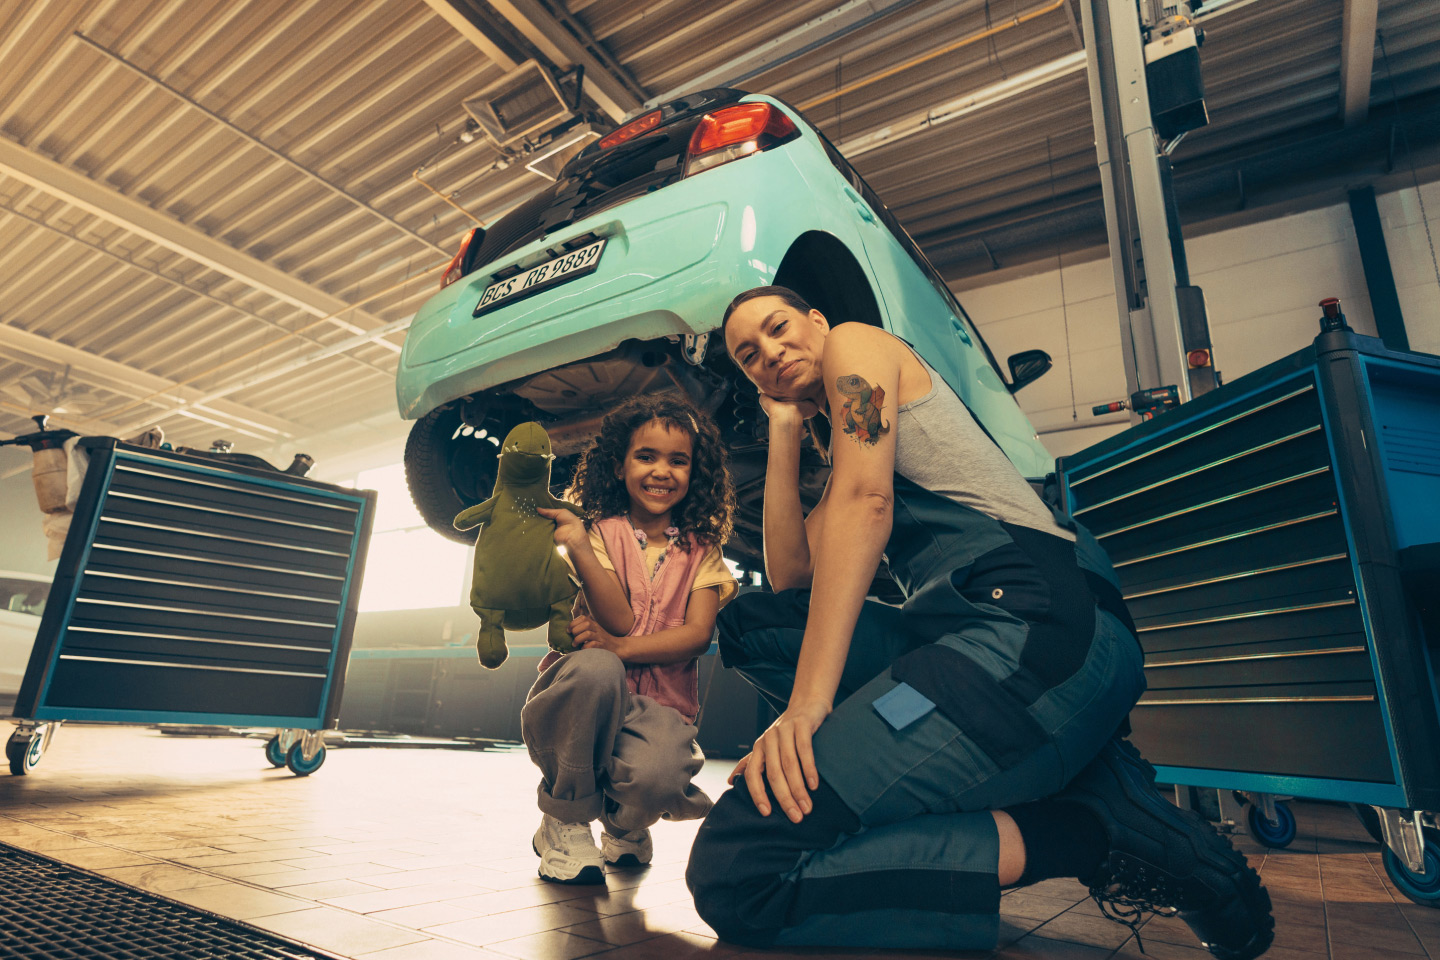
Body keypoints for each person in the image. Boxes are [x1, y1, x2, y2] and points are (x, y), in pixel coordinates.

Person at [685, 286, 1274, 959]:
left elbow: (866, 502)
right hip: (967, 640)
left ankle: (1087, 830)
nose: (771, 353)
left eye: (779, 328)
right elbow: (790, 576)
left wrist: (808, 705)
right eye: (749, 355)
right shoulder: (842, 443)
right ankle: (1093, 789)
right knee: (756, 623)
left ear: (818, 320)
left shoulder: (857, 346)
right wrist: (785, 429)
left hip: (1035, 630)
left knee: (742, 868)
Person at [524, 395, 738, 884]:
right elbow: (618, 618)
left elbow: (696, 636)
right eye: (647, 456)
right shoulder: (598, 532)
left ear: (695, 474)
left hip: (661, 704)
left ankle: (625, 827)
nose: (662, 470)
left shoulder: (703, 551)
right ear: (619, 467)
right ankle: (565, 819)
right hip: (587, 696)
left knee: (659, 776)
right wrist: (578, 543)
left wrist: (620, 648)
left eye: (677, 460)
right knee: (598, 668)